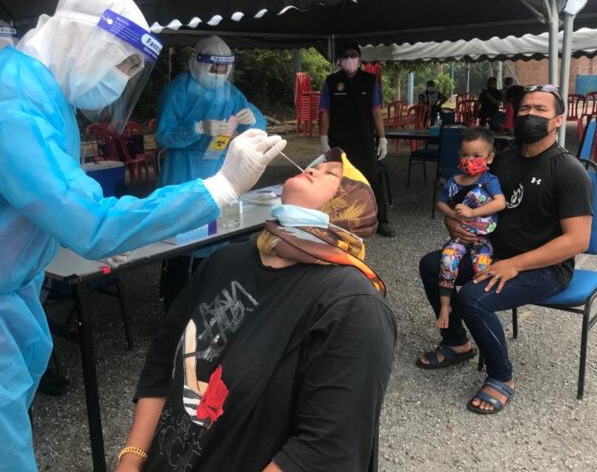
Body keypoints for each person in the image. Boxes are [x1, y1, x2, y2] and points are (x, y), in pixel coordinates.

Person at [0, 0, 286, 472]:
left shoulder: (37, 93)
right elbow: (91, 223)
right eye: (122, 63)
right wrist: (219, 188)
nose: (120, 79)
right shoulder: (7, 100)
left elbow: (20, 204)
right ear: (85, 39)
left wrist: (66, 231)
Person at [116, 148, 396, 472]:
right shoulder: (224, 261)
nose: (313, 169)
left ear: (349, 206)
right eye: (315, 165)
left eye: (331, 173)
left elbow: (324, 452)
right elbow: (164, 359)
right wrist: (132, 458)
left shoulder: (353, 307)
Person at [416, 85, 592, 415]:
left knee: (473, 297)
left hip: (544, 267)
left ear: (558, 120)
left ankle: (501, 377)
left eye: (540, 110)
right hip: (492, 252)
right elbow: (464, 201)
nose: (530, 115)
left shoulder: (568, 171)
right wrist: (453, 223)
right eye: (525, 108)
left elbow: (577, 240)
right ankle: (457, 342)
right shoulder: (502, 161)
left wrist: (515, 265)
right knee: (431, 264)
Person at [155, 36, 266, 310]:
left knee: (216, 239)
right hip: (183, 171)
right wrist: (197, 128)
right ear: (197, 63)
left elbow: (256, 125)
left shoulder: (230, 93)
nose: (218, 75)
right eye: (213, 68)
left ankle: (207, 303)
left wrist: (253, 118)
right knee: (180, 242)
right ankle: (174, 307)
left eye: (223, 69)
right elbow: (163, 135)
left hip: (217, 169)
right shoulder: (177, 91)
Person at [318, 41, 394, 237]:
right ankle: (336, 222)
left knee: (371, 180)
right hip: (338, 139)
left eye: (353, 55)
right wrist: (324, 139)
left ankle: (382, 221)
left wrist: (382, 138)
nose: (349, 59)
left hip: (364, 138)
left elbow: (376, 111)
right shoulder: (331, 81)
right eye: (345, 56)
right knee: (336, 182)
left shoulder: (370, 81)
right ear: (340, 60)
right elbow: (324, 111)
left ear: (359, 59)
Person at [433, 129, 505, 329]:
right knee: (447, 261)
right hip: (459, 238)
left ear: (489, 158)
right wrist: (453, 215)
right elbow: (440, 203)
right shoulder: (453, 181)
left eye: (476, 155)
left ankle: (479, 308)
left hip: (482, 239)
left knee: (482, 270)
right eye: (465, 155)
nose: (469, 160)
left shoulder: (489, 180)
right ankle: (445, 306)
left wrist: (473, 212)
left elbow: (500, 203)